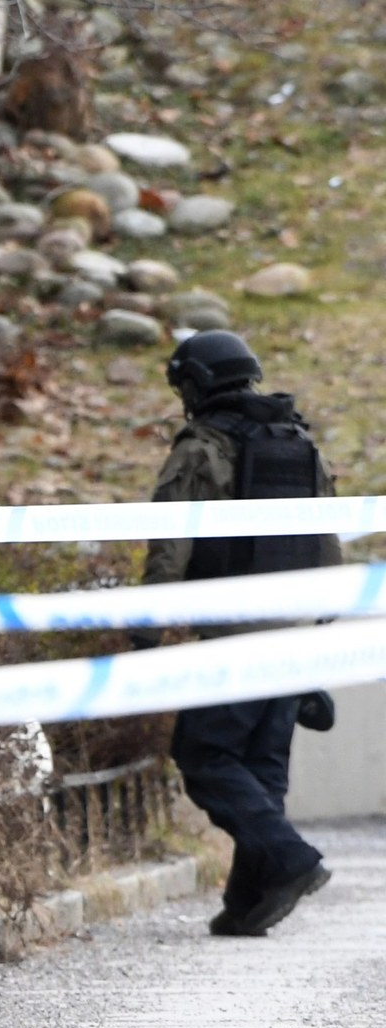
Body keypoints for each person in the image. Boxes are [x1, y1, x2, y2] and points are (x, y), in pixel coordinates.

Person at [141, 329, 339, 937]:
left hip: (233, 632)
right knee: (260, 769)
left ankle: (291, 861)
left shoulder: (203, 446)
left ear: (198, 385)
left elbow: (171, 541)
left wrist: (149, 626)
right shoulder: (301, 444)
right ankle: (249, 902)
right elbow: (327, 538)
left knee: (203, 757)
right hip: (296, 629)